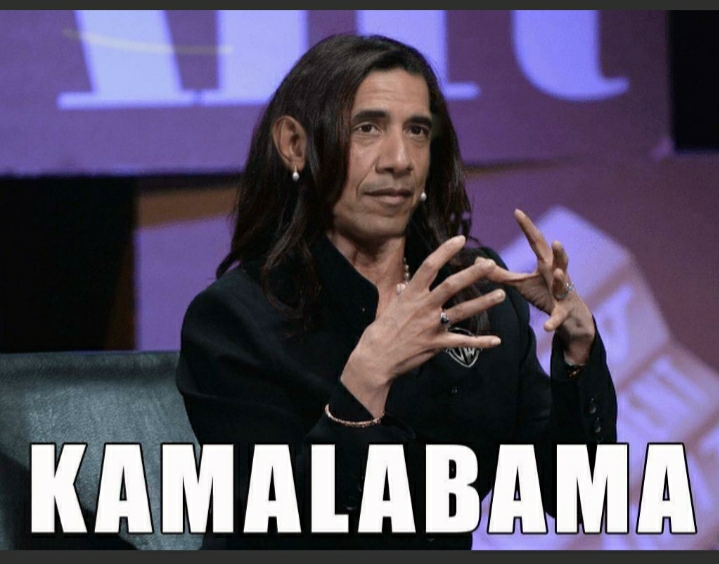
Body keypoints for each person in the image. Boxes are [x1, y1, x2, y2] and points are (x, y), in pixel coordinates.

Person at [175, 33, 617, 549]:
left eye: (417, 131)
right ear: (295, 145)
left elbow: (575, 499)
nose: (399, 159)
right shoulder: (234, 319)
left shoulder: (474, 294)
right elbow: (272, 525)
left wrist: (579, 349)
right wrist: (367, 380)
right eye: (367, 128)